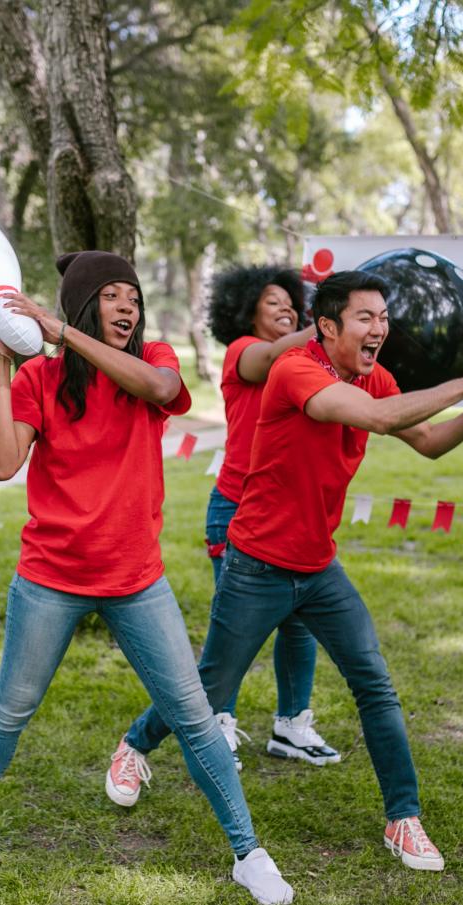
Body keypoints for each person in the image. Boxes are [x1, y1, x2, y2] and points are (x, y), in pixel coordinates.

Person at [105, 269, 463, 872]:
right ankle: (135, 746)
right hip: (258, 565)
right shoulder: (296, 368)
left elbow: (425, 440)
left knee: (374, 684)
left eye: (382, 318)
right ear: (326, 327)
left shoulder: (376, 375)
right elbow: (376, 419)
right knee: (212, 689)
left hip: (320, 567)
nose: (379, 329)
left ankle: (404, 819)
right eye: (364, 318)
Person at [0, 251, 294, 905]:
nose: (127, 306)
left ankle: (250, 852)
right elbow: (1, 463)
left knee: (193, 715)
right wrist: (1, 362)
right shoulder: (40, 380)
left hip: (135, 579)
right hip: (51, 576)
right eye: (110, 295)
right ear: (82, 302)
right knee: (10, 708)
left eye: (132, 295)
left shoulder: (154, 360)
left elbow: (162, 393)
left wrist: (61, 332)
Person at [204, 265, 341, 769]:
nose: (285, 307)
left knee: (299, 624)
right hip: (237, 509)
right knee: (235, 630)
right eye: (271, 301)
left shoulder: (307, 361)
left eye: (291, 301)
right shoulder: (244, 352)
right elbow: (270, 357)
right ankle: (215, 726)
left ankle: (291, 727)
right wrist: (329, 322)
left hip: (293, 515)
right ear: (245, 311)